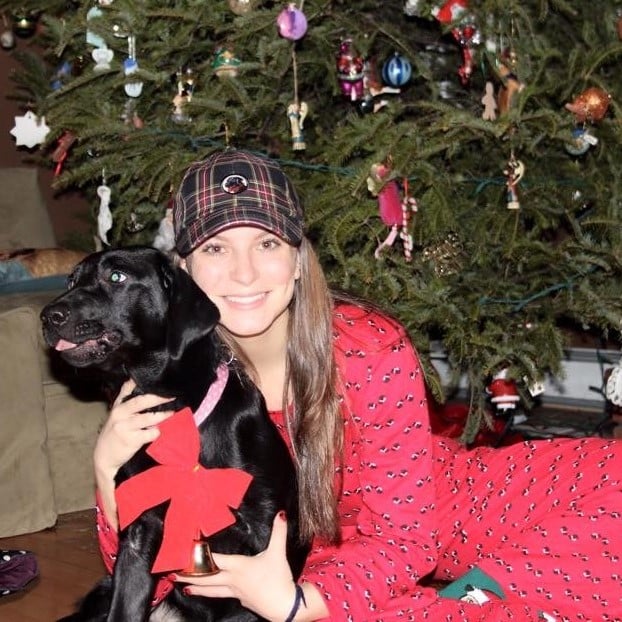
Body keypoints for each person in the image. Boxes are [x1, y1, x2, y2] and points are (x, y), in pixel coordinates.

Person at [94, 149, 622, 622]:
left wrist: (295, 606)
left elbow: (407, 537)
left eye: (267, 242)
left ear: (299, 261)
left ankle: (482, 596)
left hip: (454, 504)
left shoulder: (367, 346)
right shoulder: (172, 380)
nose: (245, 273)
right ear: (182, 271)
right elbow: (148, 574)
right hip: (325, 570)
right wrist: (107, 469)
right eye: (215, 250)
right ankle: (489, 599)